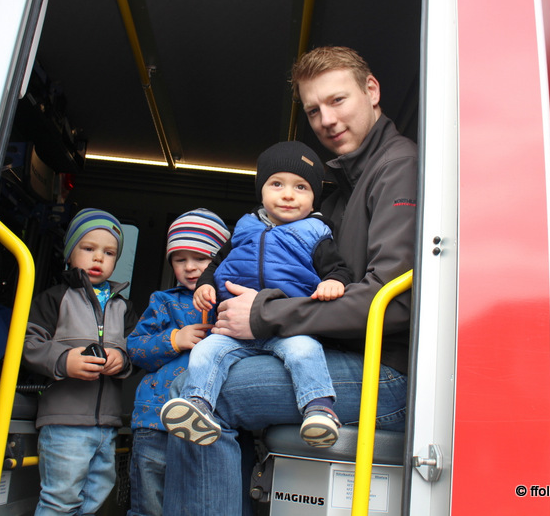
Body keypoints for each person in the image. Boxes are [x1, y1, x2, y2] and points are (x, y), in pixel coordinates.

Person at [162, 45, 418, 515]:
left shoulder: (398, 167)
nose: (327, 120)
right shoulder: (337, 194)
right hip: (342, 355)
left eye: (337, 100)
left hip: (389, 374)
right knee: (201, 377)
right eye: (314, 110)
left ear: (371, 90)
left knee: (197, 394)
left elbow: (393, 300)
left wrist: (264, 314)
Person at [160, 141, 353, 449]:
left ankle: (319, 409)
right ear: (261, 191)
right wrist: (206, 285)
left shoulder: (316, 233)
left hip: (287, 327)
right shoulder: (244, 228)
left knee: (306, 352)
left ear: (314, 197)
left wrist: (334, 282)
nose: (288, 194)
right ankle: (198, 404)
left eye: (301, 187)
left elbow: (338, 268)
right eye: (277, 184)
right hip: (235, 331)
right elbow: (218, 263)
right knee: (206, 352)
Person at [23, 208, 138, 516]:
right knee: (61, 499)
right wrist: (64, 360)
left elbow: (137, 350)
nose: (98, 258)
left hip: (107, 424)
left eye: (109, 253)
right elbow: (27, 344)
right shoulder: (55, 298)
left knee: (94, 497)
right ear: (70, 253)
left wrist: (122, 360)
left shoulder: (123, 307)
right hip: (64, 421)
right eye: (88, 248)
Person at [126, 208, 230, 516]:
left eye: (201, 258)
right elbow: (135, 349)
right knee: (149, 504)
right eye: (179, 259)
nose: (189, 267)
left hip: (206, 426)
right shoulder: (164, 301)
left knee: (193, 503)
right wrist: (174, 339)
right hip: (154, 420)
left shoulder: (229, 304)